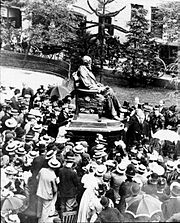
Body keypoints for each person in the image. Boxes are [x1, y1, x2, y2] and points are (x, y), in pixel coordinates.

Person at [77, 55, 121, 120]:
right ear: (87, 62)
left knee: (109, 91)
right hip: (89, 93)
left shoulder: (87, 69)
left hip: (94, 90)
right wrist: (99, 88)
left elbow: (92, 82)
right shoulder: (82, 69)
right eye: (90, 62)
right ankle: (116, 111)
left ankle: (115, 112)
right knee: (109, 92)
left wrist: (98, 84)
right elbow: (87, 84)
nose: (91, 63)